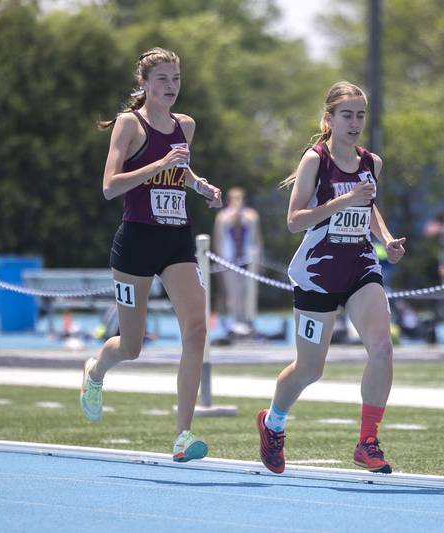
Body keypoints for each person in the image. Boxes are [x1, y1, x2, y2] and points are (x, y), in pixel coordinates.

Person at [256, 81, 406, 474]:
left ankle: (367, 441)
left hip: (359, 265)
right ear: (329, 118)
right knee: (310, 369)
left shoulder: (371, 162)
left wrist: (386, 239)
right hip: (317, 272)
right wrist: (341, 201)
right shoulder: (315, 160)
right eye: (347, 115)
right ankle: (273, 423)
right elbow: (294, 221)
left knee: (382, 348)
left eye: (360, 115)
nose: (355, 122)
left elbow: (370, 208)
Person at [81, 47, 223, 463]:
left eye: (175, 79)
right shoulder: (129, 124)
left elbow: (181, 170)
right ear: (143, 83)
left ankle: (183, 434)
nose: (170, 87)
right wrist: (159, 162)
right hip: (136, 242)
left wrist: (199, 186)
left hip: (176, 240)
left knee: (196, 331)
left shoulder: (186, 125)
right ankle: (95, 372)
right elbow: (111, 186)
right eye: (161, 79)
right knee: (132, 344)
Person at [213, 186, 262, 337]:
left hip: (248, 259)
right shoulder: (223, 216)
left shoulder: (251, 215)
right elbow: (218, 240)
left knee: (248, 293)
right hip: (229, 260)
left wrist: (260, 259)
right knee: (233, 293)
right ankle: (235, 322)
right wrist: (219, 261)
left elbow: (257, 239)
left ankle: (247, 321)